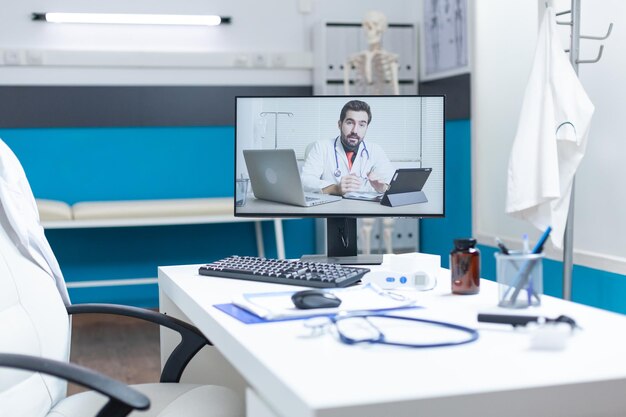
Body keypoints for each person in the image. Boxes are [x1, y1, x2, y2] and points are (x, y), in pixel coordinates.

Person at [301, 100, 395, 196]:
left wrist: (382, 188)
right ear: (339, 124)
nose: (355, 130)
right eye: (350, 123)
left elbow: (392, 182)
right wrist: (335, 188)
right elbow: (305, 181)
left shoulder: (375, 150)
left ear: (367, 127)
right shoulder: (321, 147)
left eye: (361, 125)